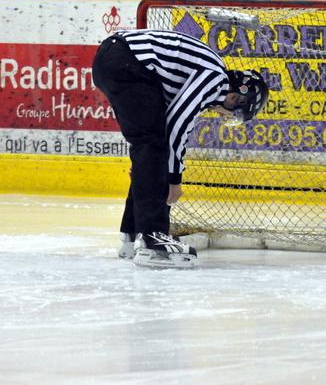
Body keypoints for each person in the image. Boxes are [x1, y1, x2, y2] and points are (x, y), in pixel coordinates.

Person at [92, 29, 267, 268]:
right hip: (127, 61)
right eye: (233, 110)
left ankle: (131, 235)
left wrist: (151, 170)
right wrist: (174, 179)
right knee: (153, 144)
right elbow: (177, 122)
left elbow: (172, 127)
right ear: (236, 97)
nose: (225, 114)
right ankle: (154, 239)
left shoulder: (208, 76)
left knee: (151, 149)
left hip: (116, 58)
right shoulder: (216, 80)